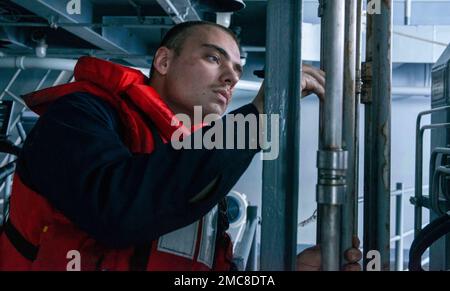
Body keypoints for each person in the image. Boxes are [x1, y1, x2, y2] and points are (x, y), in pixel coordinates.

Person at [0, 21, 360, 271]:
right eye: (213, 58)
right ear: (164, 61)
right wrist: (258, 118)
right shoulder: (80, 115)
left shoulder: (193, 155)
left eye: (237, 68)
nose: (232, 77)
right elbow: (119, 211)